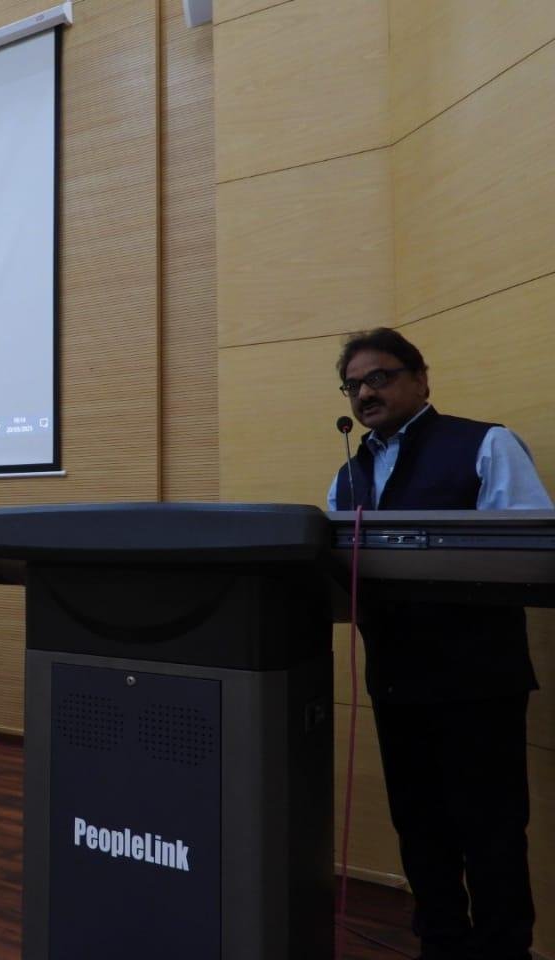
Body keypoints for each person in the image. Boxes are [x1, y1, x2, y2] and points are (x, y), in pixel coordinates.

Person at [328, 327, 549, 960]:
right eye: (353, 385)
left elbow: (532, 554)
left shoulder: (486, 444)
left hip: (478, 681)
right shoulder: (347, 475)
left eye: (379, 377)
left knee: (491, 829)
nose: (365, 393)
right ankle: (442, 944)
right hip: (397, 682)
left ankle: (504, 949)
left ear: (421, 379)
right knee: (419, 825)